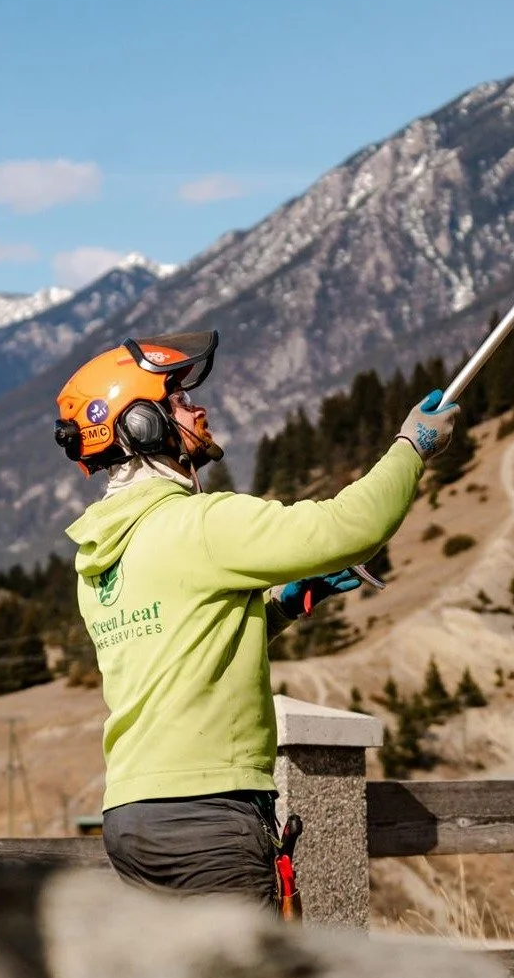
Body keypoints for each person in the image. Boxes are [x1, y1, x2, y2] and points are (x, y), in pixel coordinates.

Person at [53, 329, 459, 909]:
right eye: (179, 401)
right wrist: (411, 448)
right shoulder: (198, 524)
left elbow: (192, 645)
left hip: (133, 815)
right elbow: (348, 528)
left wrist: (285, 603)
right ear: (141, 426)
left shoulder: (98, 558)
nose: (200, 409)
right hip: (209, 816)